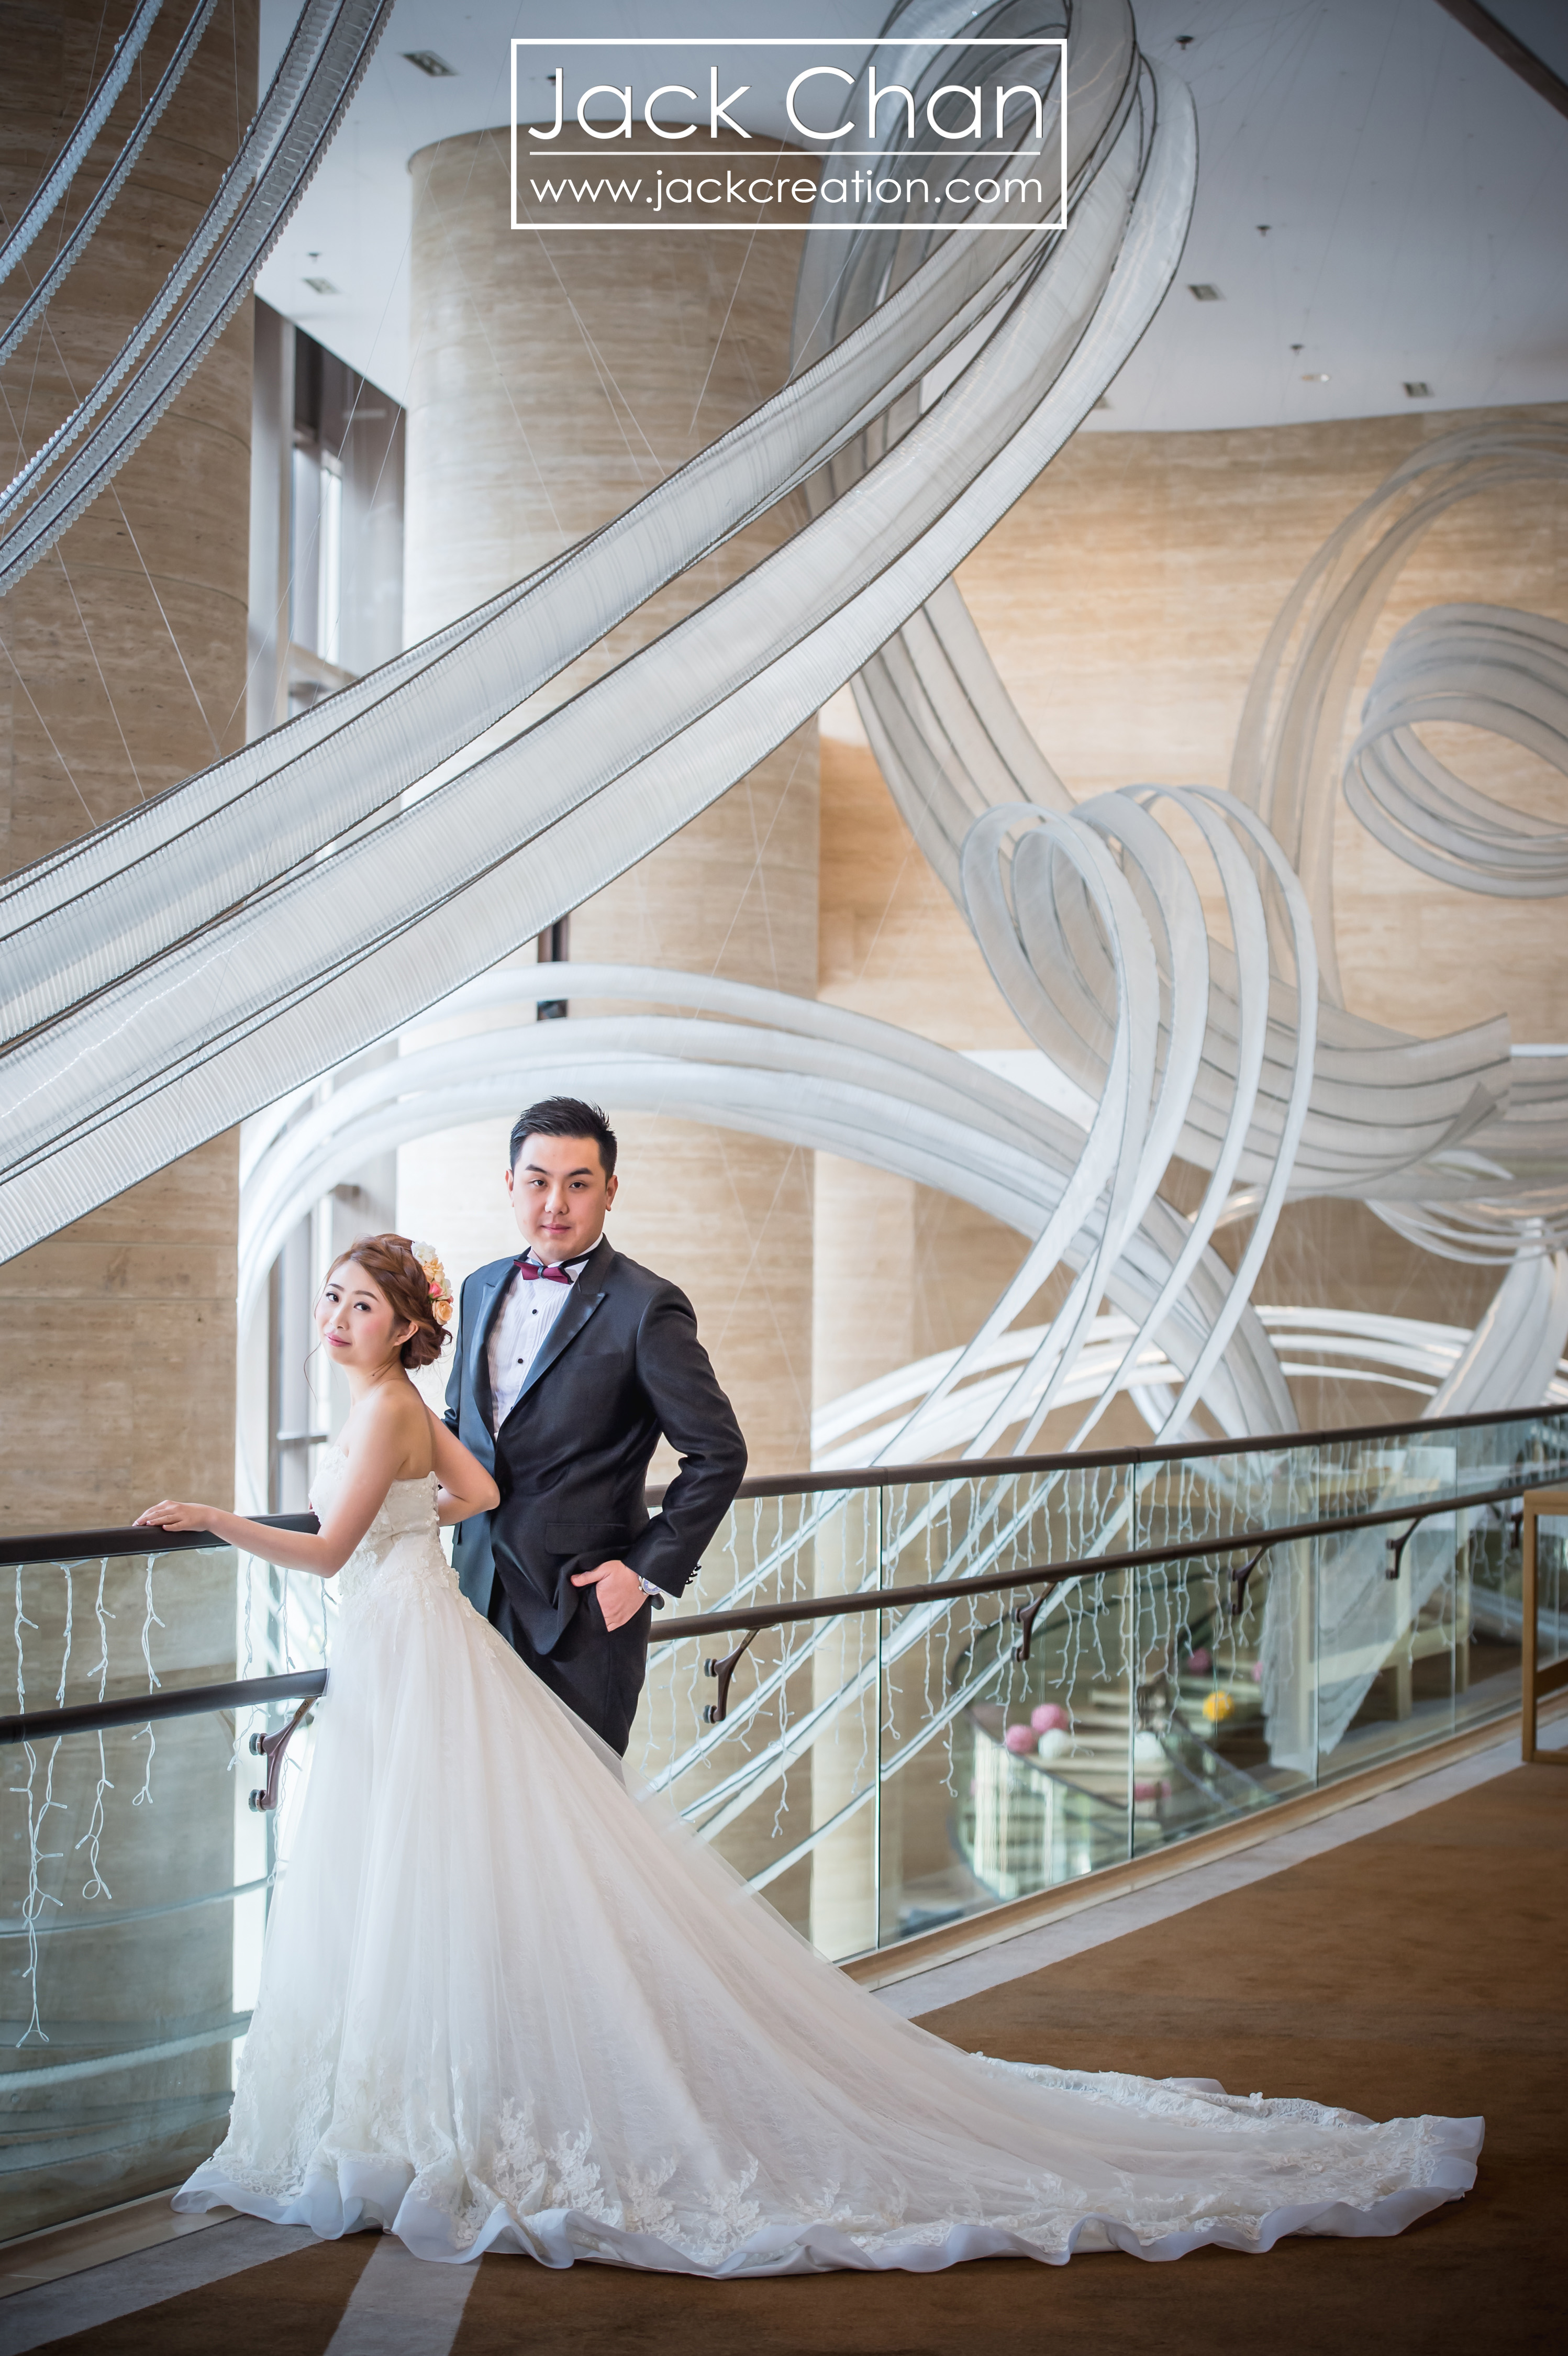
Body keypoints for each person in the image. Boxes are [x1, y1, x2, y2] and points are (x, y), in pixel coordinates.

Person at [140, 1230, 1482, 2274]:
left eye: (357, 1303)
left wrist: (218, 1517)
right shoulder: (433, 1357)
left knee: (408, 1870)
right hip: (433, 1634)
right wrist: (416, 1528)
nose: (335, 1317)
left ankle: (429, 2111)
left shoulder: (478, 1371)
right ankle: (433, 2103)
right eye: (330, 1299)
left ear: (402, 1323)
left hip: (423, 1638)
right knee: (422, 1874)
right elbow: (482, 1488)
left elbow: (344, 1544)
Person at [440, 1097, 747, 1756]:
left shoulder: (647, 1306)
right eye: (537, 1182)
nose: (555, 1203)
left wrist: (641, 1575)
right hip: (469, 1594)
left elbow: (718, 1454)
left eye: (577, 1185)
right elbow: (459, 1427)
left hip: (581, 1611)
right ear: (510, 1185)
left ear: (609, 1191)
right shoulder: (477, 1287)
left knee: (574, 1805)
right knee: (477, 1792)